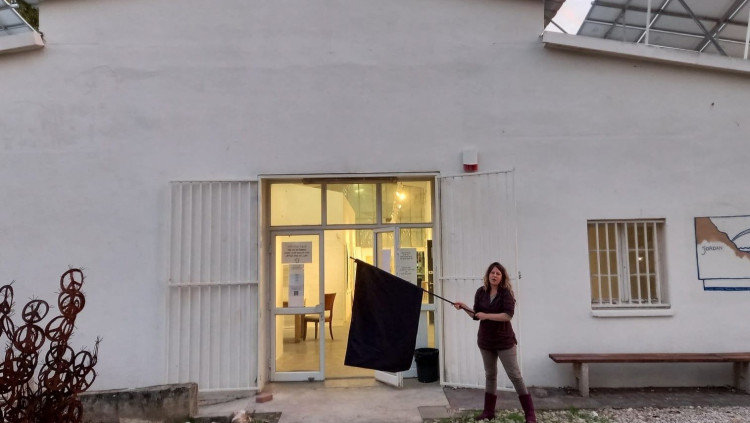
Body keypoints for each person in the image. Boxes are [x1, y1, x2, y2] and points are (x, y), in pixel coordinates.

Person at [453, 261, 536, 423]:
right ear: (488, 275)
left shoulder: (506, 293)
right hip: (486, 341)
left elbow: (507, 315)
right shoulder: (481, 292)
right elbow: (476, 315)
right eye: (492, 272)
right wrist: (463, 307)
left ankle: (530, 414)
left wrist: (487, 315)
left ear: (502, 277)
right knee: (490, 375)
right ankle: (488, 412)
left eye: (498, 273)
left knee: (515, 376)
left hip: (504, 341)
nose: (495, 275)